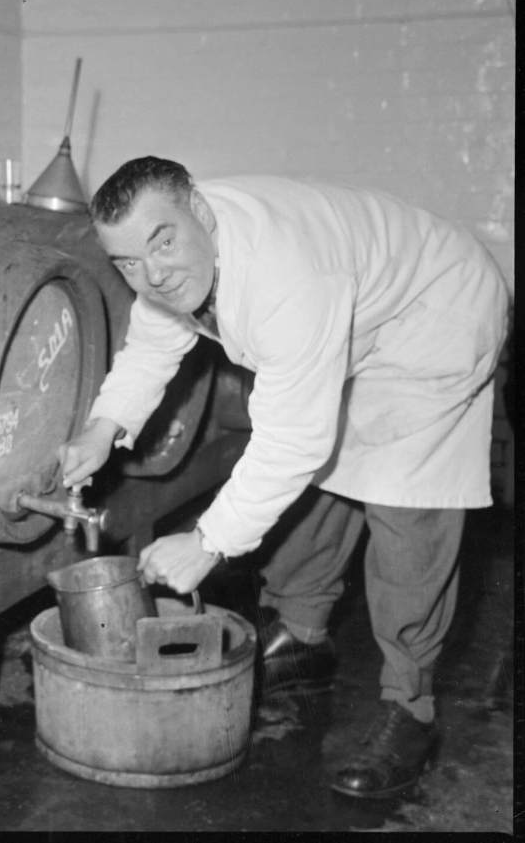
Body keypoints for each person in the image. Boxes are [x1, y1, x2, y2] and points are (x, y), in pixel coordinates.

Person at [57, 156, 509, 800]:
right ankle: (302, 634)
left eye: (162, 243)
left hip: (439, 311)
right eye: (127, 262)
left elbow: (292, 438)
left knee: (406, 503)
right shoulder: (175, 258)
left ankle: (411, 708)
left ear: (202, 213)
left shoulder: (286, 277)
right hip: (367, 323)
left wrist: (208, 542)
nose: (150, 274)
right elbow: (154, 345)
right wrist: (103, 428)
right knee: (326, 471)